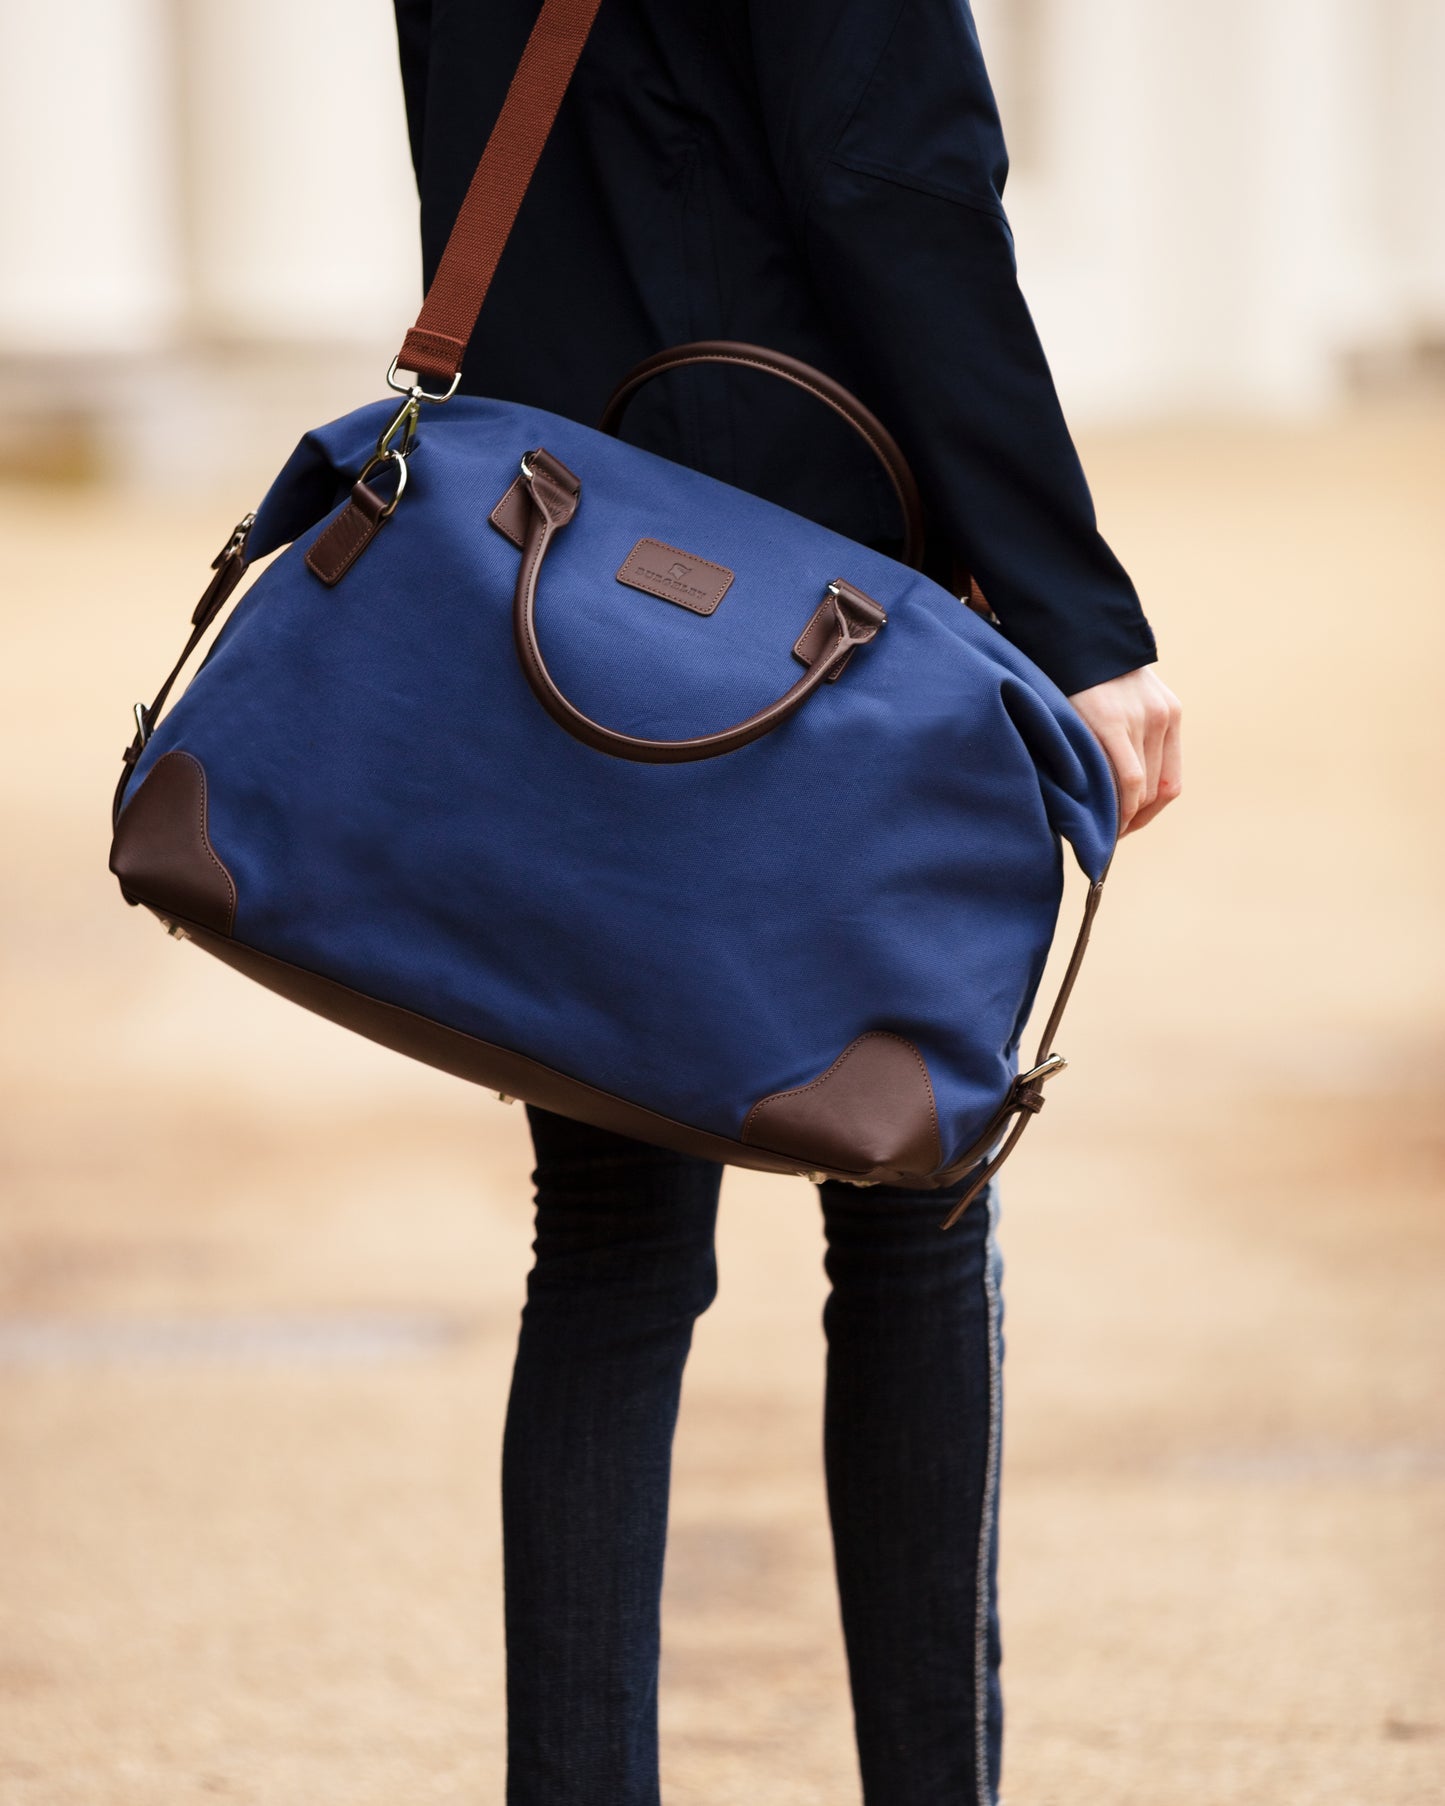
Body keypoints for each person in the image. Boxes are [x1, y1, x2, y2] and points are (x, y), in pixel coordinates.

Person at [392, 3, 1183, 1802]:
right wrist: (1078, 617)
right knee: (908, 1208)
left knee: (603, 1248)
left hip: (562, 582)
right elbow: (893, 181)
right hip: (841, 610)